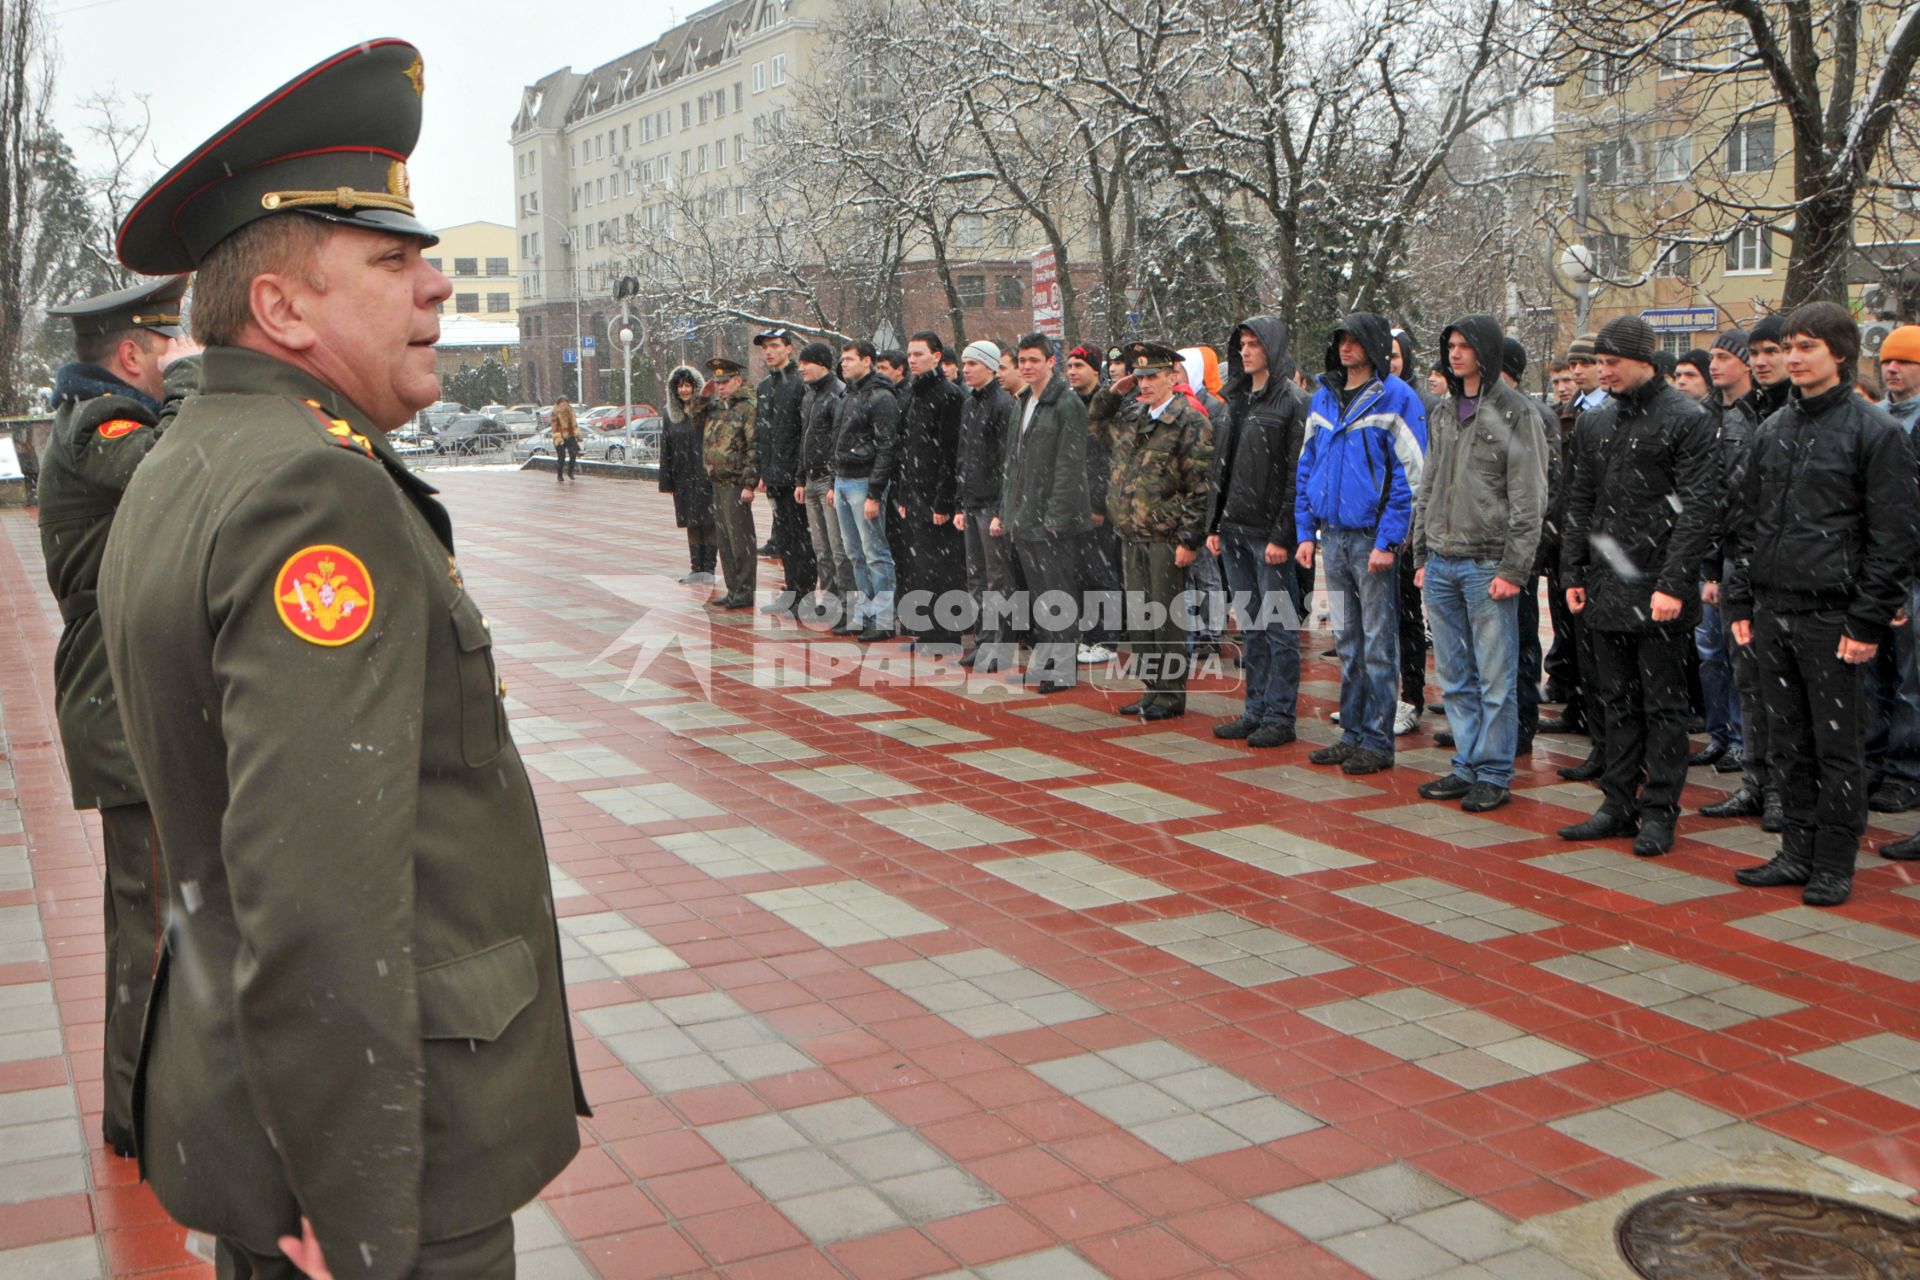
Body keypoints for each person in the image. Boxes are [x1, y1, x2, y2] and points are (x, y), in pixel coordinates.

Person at [98, 40, 586, 1278]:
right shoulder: (313, 489)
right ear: (283, 307)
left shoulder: (197, 454)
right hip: (387, 1151)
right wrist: (354, 1200)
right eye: (391, 259)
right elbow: (317, 888)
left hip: (272, 1101)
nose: (433, 287)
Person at [36, 273, 194, 1159]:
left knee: (150, 913)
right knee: (150, 921)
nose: (183, 362)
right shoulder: (108, 428)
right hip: (123, 703)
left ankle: (152, 1095)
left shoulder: (104, 422)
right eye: (171, 346)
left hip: (128, 700)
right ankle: (137, 1116)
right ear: (131, 355)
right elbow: (181, 470)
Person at [1727, 303, 1920, 901]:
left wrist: (1865, 618)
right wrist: (1740, 601)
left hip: (1835, 616)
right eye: (1789, 346)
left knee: (1838, 746)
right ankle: (1796, 850)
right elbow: (1747, 522)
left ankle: (1834, 860)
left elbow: (1893, 537)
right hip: (1773, 609)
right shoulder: (1773, 429)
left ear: (1838, 353)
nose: (1792, 357)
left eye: (1806, 346)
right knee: (1787, 739)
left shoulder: (1874, 431)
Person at [1558, 317, 1719, 856]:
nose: (1602, 372)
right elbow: (1579, 501)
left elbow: (1697, 510)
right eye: (1597, 362)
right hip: (1606, 585)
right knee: (1615, 702)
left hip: (1659, 589)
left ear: (1645, 361)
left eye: (1612, 362)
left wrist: (1674, 583)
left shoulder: (1687, 419)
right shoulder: (1595, 424)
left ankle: (1660, 811)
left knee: (1664, 707)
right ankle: (1617, 803)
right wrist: (1572, 573)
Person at [1412, 317, 1547, 812]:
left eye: (1465, 345)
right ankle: (1465, 763)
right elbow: (1429, 485)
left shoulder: (1515, 413)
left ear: (1485, 352)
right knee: (1454, 674)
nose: (1456, 353)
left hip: (1487, 563)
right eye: (1450, 345)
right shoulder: (1444, 412)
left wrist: (1514, 569)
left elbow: (1529, 497)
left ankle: (1493, 771)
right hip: (1443, 563)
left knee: (1495, 676)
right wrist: (1422, 553)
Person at [1296, 313, 1428, 775]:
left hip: (1372, 538)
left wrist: (1390, 540)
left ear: (1372, 345)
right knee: (1347, 638)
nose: (1346, 348)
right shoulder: (1322, 398)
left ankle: (1377, 739)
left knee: (1377, 641)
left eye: (1355, 340)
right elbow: (1307, 467)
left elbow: (1411, 478)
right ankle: (1352, 732)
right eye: (1341, 340)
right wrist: (1303, 531)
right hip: (1332, 535)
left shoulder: (1398, 397)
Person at [1090, 342, 1215, 719]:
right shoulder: (1132, 416)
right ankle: (1151, 689)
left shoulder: (1189, 420)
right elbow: (1094, 425)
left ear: (1173, 377)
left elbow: (1200, 485)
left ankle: (1171, 695)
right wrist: (1113, 392)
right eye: (1140, 376)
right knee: (1142, 617)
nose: (1144, 384)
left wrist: (1189, 539)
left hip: (1165, 535)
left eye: (1152, 376)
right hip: (1132, 531)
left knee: (1166, 619)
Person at [1697, 330, 1784, 829]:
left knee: (1783, 687)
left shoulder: (1790, 416)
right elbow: (1722, 496)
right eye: (1764, 351)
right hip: (1739, 563)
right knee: (1747, 678)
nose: (1769, 360)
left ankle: (1784, 789)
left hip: (1791, 570)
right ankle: (1756, 781)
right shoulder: (1732, 418)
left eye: (1776, 351)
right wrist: (1713, 565)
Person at [1209, 315, 1308, 749]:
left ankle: (1280, 715)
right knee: (1251, 625)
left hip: (1267, 533)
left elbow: (1295, 475)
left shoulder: (1292, 401)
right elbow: (1222, 467)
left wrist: (1283, 535)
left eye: (1254, 343)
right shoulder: (1235, 399)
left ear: (1272, 347)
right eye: (1242, 344)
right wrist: (1214, 524)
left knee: (1279, 627)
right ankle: (1255, 709)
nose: (1246, 351)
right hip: (1233, 529)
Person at [1003, 334, 1093, 690]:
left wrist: (1056, 517)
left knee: (1058, 593)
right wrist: (1007, 511)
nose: (1026, 367)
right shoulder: (1023, 401)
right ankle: (1045, 660)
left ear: (1050, 362)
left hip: (1053, 521)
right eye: (1022, 360)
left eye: (1033, 360)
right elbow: (1013, 462)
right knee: (1039, 595)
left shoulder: (1066, 404)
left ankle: (1063, 667)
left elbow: (1070, 466)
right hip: (1024, 517)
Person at [893, 332, 968, 650]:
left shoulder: (949, 394)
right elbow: (905, 446)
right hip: (913, 493)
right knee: (921, 565)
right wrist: (901, 494)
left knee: (944, 566)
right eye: (909, 354)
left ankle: (947, 632)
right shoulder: (912, 392)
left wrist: (944, 500)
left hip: (938, 496)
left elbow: (951, 453)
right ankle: (928, 631)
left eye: (919, 354)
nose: (912, 359)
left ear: (937, 357)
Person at [953, 340, 1018, 671]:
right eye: (964, 363)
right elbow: (964, 455)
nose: (966, 369)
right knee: (976, 578)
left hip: (992, 504)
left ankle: (1000, 646)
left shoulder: (1003, 405)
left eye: (973, 364)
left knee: (997, 580)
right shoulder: (970, 404)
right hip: (972, 501)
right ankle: (982, 642)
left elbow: (1007, 461)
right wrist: (959, 501)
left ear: (992, 368)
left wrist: (1001, 511)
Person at [833, 340, 901, 642]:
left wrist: (875, 491)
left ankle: (883, 618)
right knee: (854, 553)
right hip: (844, 479)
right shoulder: (848, 394)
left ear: (867, 361)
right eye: (842, 359)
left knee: (875, 553)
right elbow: (838, 437)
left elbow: (887, 446)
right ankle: (862, 614)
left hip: (864, 481)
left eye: (849, 359)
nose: (844, 364)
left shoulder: (880, 396)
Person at [1388, 328, 1434, 735]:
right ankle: (1376, 696)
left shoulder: (1422, 402)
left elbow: (1422, 473)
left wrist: (1414, 529)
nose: (1389, 362)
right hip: (1372, 525)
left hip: (1408, 529)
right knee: (1372, 618)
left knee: (1407, 618)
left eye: (1396, 355)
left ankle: (1411, 696)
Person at [752, 328, 817, 616]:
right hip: (775, 475)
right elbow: (762, 434)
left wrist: (801, 473)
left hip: (796, 475)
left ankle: (804, 594)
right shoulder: (765, 386)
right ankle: (790, 590)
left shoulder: (800, 383)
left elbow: (805, 431)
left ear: (789, 349)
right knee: (785, 538)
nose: (769, 351)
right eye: (765, 347)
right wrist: (763, 471)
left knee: (802, 537)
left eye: (775, 346)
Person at [687, 355, 760, 609]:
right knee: (725, 540)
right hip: (717, 482)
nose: (720, 386)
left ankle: (745, 589)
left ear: (738, 380)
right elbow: (694, 422)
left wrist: (749, 484)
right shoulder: (716, 406)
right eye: (717, 382)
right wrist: (703, 397)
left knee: (740, 539)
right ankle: (733, 588)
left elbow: (753, 447)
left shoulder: (746, 407)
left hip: (736, 482)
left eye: (725, 381)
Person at [1066, 344, 1123, 664]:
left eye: (1079, 365)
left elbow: (1105, 460)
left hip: (1097, 506)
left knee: (1101, 571)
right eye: (1070, 366)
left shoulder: (1106, 405)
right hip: (1073, 503)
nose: (1072, 371)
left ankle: (1106, 638)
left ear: (1094, 370)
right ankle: (1088, 634)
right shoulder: (1071, 403)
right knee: (1081, 572)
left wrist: (1099, 505)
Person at [792, 342, 851, 627]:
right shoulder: (809, 396)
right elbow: (806, 437)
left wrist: (833, 480)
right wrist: (801, 477)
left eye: (807, 362)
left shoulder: (838, 394)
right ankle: (828, 601)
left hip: (829, 480)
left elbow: (838, 441)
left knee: (838, 549)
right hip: (811, 479)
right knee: (821, 548)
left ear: (823, 364)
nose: (801, 367)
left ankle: (845, 605)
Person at [659, 365, 717, 583]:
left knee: (708, 521)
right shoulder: (669, 414)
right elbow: (666, 448)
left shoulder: (706, 410)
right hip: (683, 477)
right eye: (680, 386)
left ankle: (709, 569)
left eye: (687, 385)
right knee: (691, 523)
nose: (683, 390)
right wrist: (667, 481)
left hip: (705, 475)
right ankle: (696, 568)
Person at [549, 395, 579, 481]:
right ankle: (559, 475)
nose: (564, 405)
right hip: (559, 437)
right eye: (562, 403)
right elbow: (554, 427)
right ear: (558, 404)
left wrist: (577, 434)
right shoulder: (555, 413)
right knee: (561, 457)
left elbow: (574, 424)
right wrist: (558, 437)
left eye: (566, 403)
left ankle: (570, 472)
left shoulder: (571, 412)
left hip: (570, 435)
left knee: (573, 454)